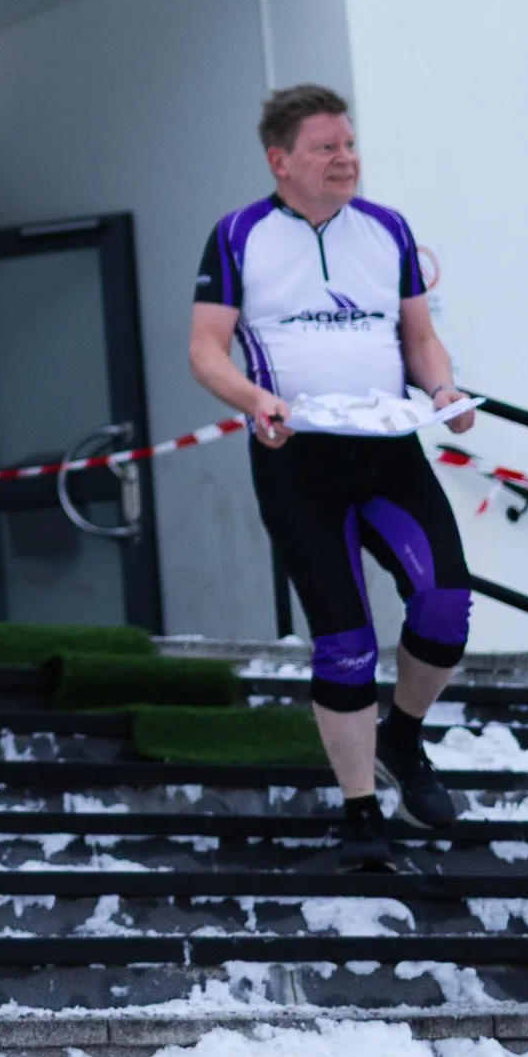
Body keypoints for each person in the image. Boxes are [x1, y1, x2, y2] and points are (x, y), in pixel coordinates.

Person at [188, 84, 476, 852]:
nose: (346, 159)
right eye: (326, 147)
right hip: (297, 459)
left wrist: (443, 388)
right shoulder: (238, 234)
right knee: (344, 639)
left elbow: (419, 339)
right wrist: (255, 398)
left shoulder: (387, 229)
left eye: (349, 145)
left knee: (445, 604)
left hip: (389, 452)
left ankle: (403, 739)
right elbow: (205, 348)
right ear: (281, 160)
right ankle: (360, 812)